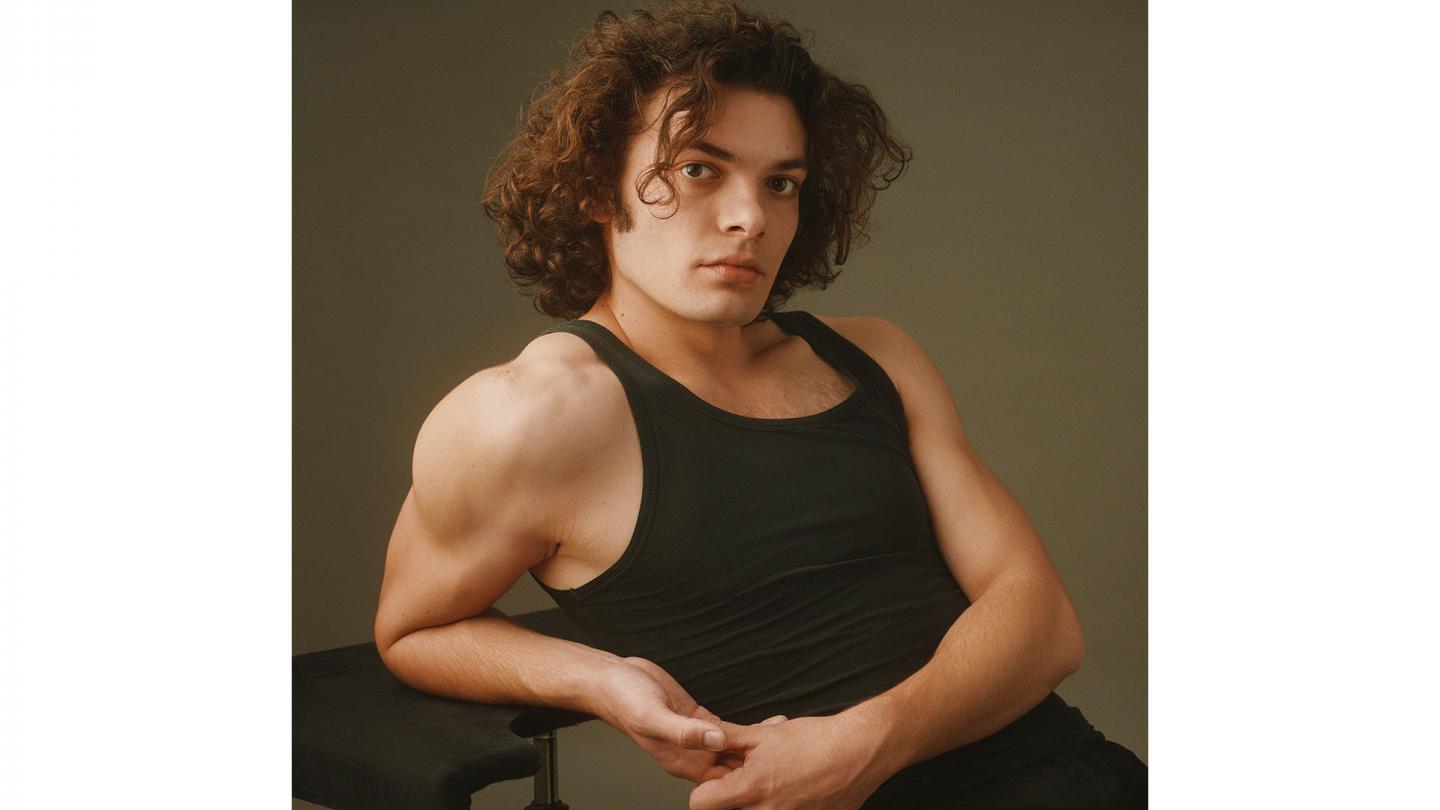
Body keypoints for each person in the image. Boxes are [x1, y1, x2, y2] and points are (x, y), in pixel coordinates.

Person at [373, 2, 1147, 807]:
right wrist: (602, 680)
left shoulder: (875, 355)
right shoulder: (527, 417)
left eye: (781, 183)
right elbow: (413, 629)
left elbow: (1045, 623)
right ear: (599, 187)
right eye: (701, 169)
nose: (751, 218)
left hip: (1085, 777)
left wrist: (859, 746)